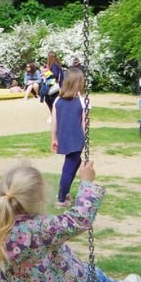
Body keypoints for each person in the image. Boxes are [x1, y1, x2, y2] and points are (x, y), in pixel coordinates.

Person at [0, 156, 141, 282]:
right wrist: (87, 183)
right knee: (94, 275)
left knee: (78, 267)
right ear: (40, 198)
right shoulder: (41, 228)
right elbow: (80, 218)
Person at [50, 67, 86, 207]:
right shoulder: (82, 101)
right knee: (69, 166)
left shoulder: (58, 100)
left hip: (64, 137)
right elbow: (84, 123)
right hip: (76, 138)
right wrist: (85, 139)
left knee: (74, 162)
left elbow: (54, 122)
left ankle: (64, 193)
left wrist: (54, 138)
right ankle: (61, 198)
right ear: (79, 83)